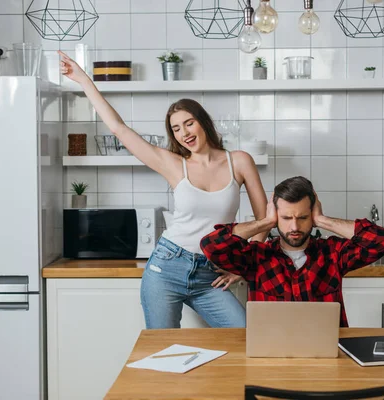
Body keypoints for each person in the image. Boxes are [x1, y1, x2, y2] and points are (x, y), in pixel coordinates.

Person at [59, 51, 268, 329]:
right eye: (176, 129)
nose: (185, 133)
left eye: (189, 123)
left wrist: (241, 266)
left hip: (210, 274)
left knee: (245, 334)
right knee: (163, 351)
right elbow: (120, 129)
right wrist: (83, 79)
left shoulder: (239, 161)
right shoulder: (174, 164)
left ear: (203, 121)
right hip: (166, 268)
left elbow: (264, 219)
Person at [200, 176, 384, 327]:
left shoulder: (333, 254)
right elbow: (212, 245)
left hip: (326, 358)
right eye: (285, 217)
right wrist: (265, 222)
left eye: (303, 217)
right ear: (275, 216)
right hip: (272, 357)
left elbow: (380, 240)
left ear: (312, 216)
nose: (294, 226)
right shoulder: (256, 257)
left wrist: (323, 220)